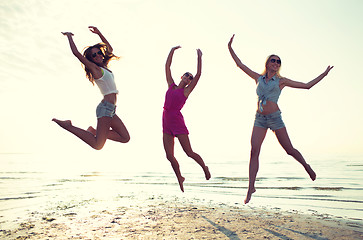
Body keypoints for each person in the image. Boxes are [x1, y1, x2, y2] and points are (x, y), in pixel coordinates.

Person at [228, 34, 334, 204]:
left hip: (275, 118)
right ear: (267, 63)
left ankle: (306, 166)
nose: (276, 63)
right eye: (273, 60)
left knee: (289, 149)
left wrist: (324, 74)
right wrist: (230, 47)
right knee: (254, 151)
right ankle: (250, 187)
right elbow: (240, 64)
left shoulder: (281, 81)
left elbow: (307, 86)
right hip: (259, 119)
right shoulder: (258, 78)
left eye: (278, 62)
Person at [52, 26, 130, 150]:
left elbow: (109, 49)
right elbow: (77, 54)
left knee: (125, 138)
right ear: (91, 59)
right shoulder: (96, 69)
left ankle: (94, 131)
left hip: (111, 109)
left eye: (99, 52)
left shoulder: (104, 67)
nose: (98, 55)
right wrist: (69, 37)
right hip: (104, 109)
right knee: (97, 145)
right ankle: (68, 126)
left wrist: (99, 32)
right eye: (94, 55)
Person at [163, 46, 211, 192]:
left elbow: (199, 74)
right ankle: (180, 177)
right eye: (186, 75)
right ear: (181, 77)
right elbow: (167, 66)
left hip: (177, 121)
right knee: (169, 155)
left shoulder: (186, 91)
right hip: (165, 120)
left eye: (190, 77)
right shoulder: (171, 86)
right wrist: (172, 51)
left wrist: (199, 58)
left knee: (188, 152)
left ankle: (204, 167)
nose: (188, 77)